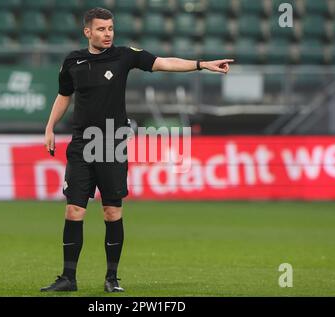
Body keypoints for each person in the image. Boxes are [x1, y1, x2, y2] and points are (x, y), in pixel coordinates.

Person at [41, 7, 234, 293]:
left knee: (111, 212)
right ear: (88, 32)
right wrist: (49, 127)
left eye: (110, 28)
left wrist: (201, 64)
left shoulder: (124, 56)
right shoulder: (73, 61)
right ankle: (68, 278)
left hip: (112, 143)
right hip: (82, 143)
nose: (107, 34)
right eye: (101, 29)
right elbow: (64, 96)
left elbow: (164, 62)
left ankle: (112, 278)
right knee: (73, 210)